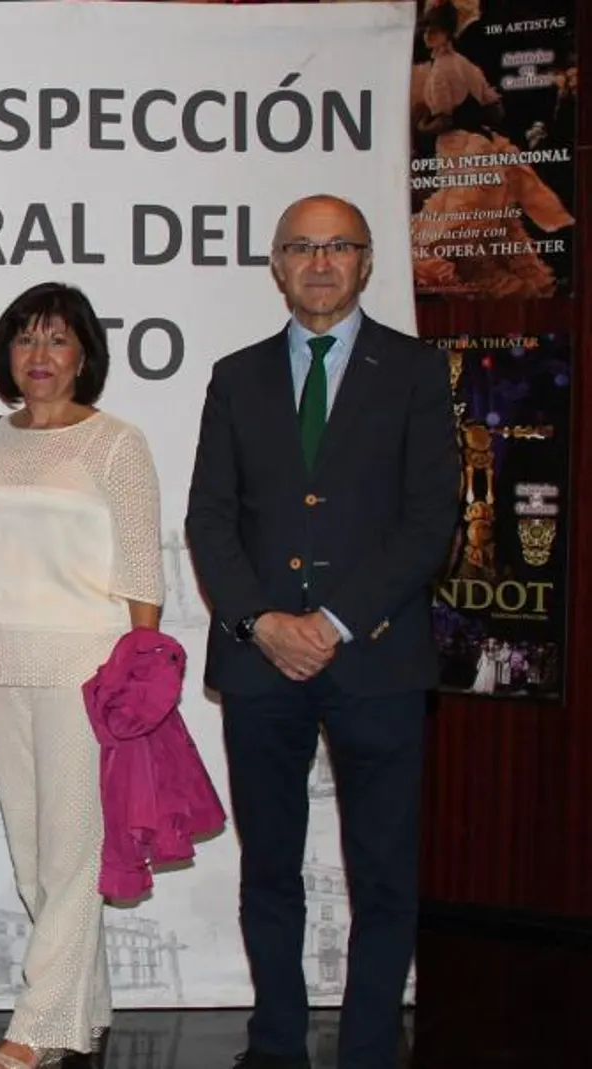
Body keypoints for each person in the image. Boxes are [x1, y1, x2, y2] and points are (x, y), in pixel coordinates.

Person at [186, 194, 460, 1069]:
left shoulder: (417, 371)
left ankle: (373, 1047)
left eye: (338, 246)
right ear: (275, 264)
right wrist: (261, 621)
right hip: (261, 662)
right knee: (269, 868)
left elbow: (430, 521)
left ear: (366, 261)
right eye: (301, 247)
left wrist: (334, 622)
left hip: (378, 660)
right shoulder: (236, 375)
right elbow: (210, 518)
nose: (319, 262)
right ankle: (275, 1044)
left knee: (382, 871)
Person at [0, 283, 166, 1069]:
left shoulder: (116, 443)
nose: (40, 357)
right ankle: (84, 1014)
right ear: (5, 354)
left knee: (72, 854)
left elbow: (144, 568)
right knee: (31, 857)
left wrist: (140, 677)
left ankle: (36, 1030)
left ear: (85, 353)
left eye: (57, 340)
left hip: (88, 671)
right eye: (25, 340)